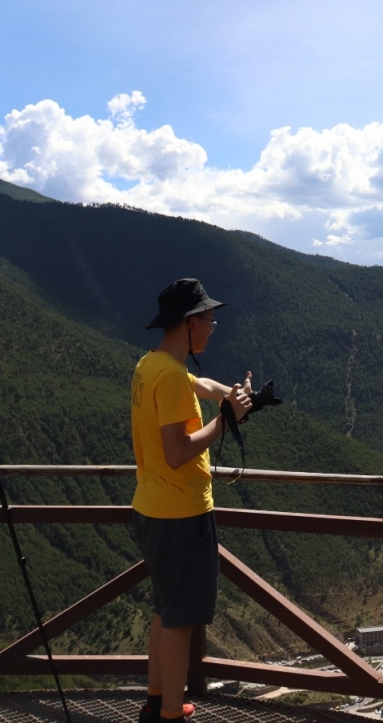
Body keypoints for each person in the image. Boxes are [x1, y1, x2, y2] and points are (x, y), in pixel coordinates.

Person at [131, 278, 252, 722]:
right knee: (181, 619)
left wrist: (233, 397)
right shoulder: (169, 375)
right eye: (209, 320)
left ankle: (156, 697)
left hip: (151, 506)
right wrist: (226, 419)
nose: (213, 326)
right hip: (181, 512)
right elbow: (178, 452)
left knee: (166, 608)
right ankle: (170, 715)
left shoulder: (151, 365)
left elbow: (196, 382)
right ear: (190, 323)